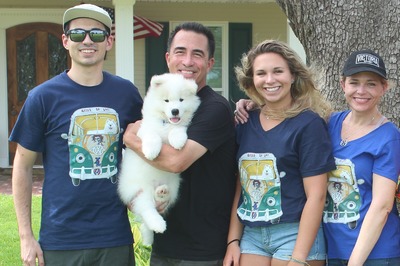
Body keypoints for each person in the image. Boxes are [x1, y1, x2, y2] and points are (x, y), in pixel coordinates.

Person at [9, 4, 143, 266]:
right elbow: (22, 166)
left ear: (109, 42)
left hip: (113, 235)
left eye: (96, 34)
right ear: (65, 40)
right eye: (78, 33)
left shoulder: (126, 94)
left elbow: (147, 146)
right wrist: (26, 236)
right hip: (61, 238)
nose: (87, 41)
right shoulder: (42, 97)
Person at [123, 22, 237, 265]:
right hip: (166, 241)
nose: (188, 61)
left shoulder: (214, 108)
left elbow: (176, 161)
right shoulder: (160, 102)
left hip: (202, 248)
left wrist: (132, 139)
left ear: (210, 63)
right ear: (168, 58)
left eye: (198, 54)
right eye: (180, 52)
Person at [223, 39, 336, 266]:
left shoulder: (308, 124)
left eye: (278, 71)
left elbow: (317, 196)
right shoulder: (245, 122)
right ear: (252, 80)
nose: (270, 80)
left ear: (292, 76)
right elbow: (241, 185)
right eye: (261, 73)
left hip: (295, 232)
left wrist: (299, 257)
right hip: (253, 235)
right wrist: (232, 241)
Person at [322, 49, 400, 266]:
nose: (361, 91)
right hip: (333, 250)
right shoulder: (329, 123)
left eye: (371, 84)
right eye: (354, 82)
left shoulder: (389, 136)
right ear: (342, 84)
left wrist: (354, 263)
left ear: (384, 88)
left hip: (375, 254)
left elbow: (382, 206)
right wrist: (254, 106)